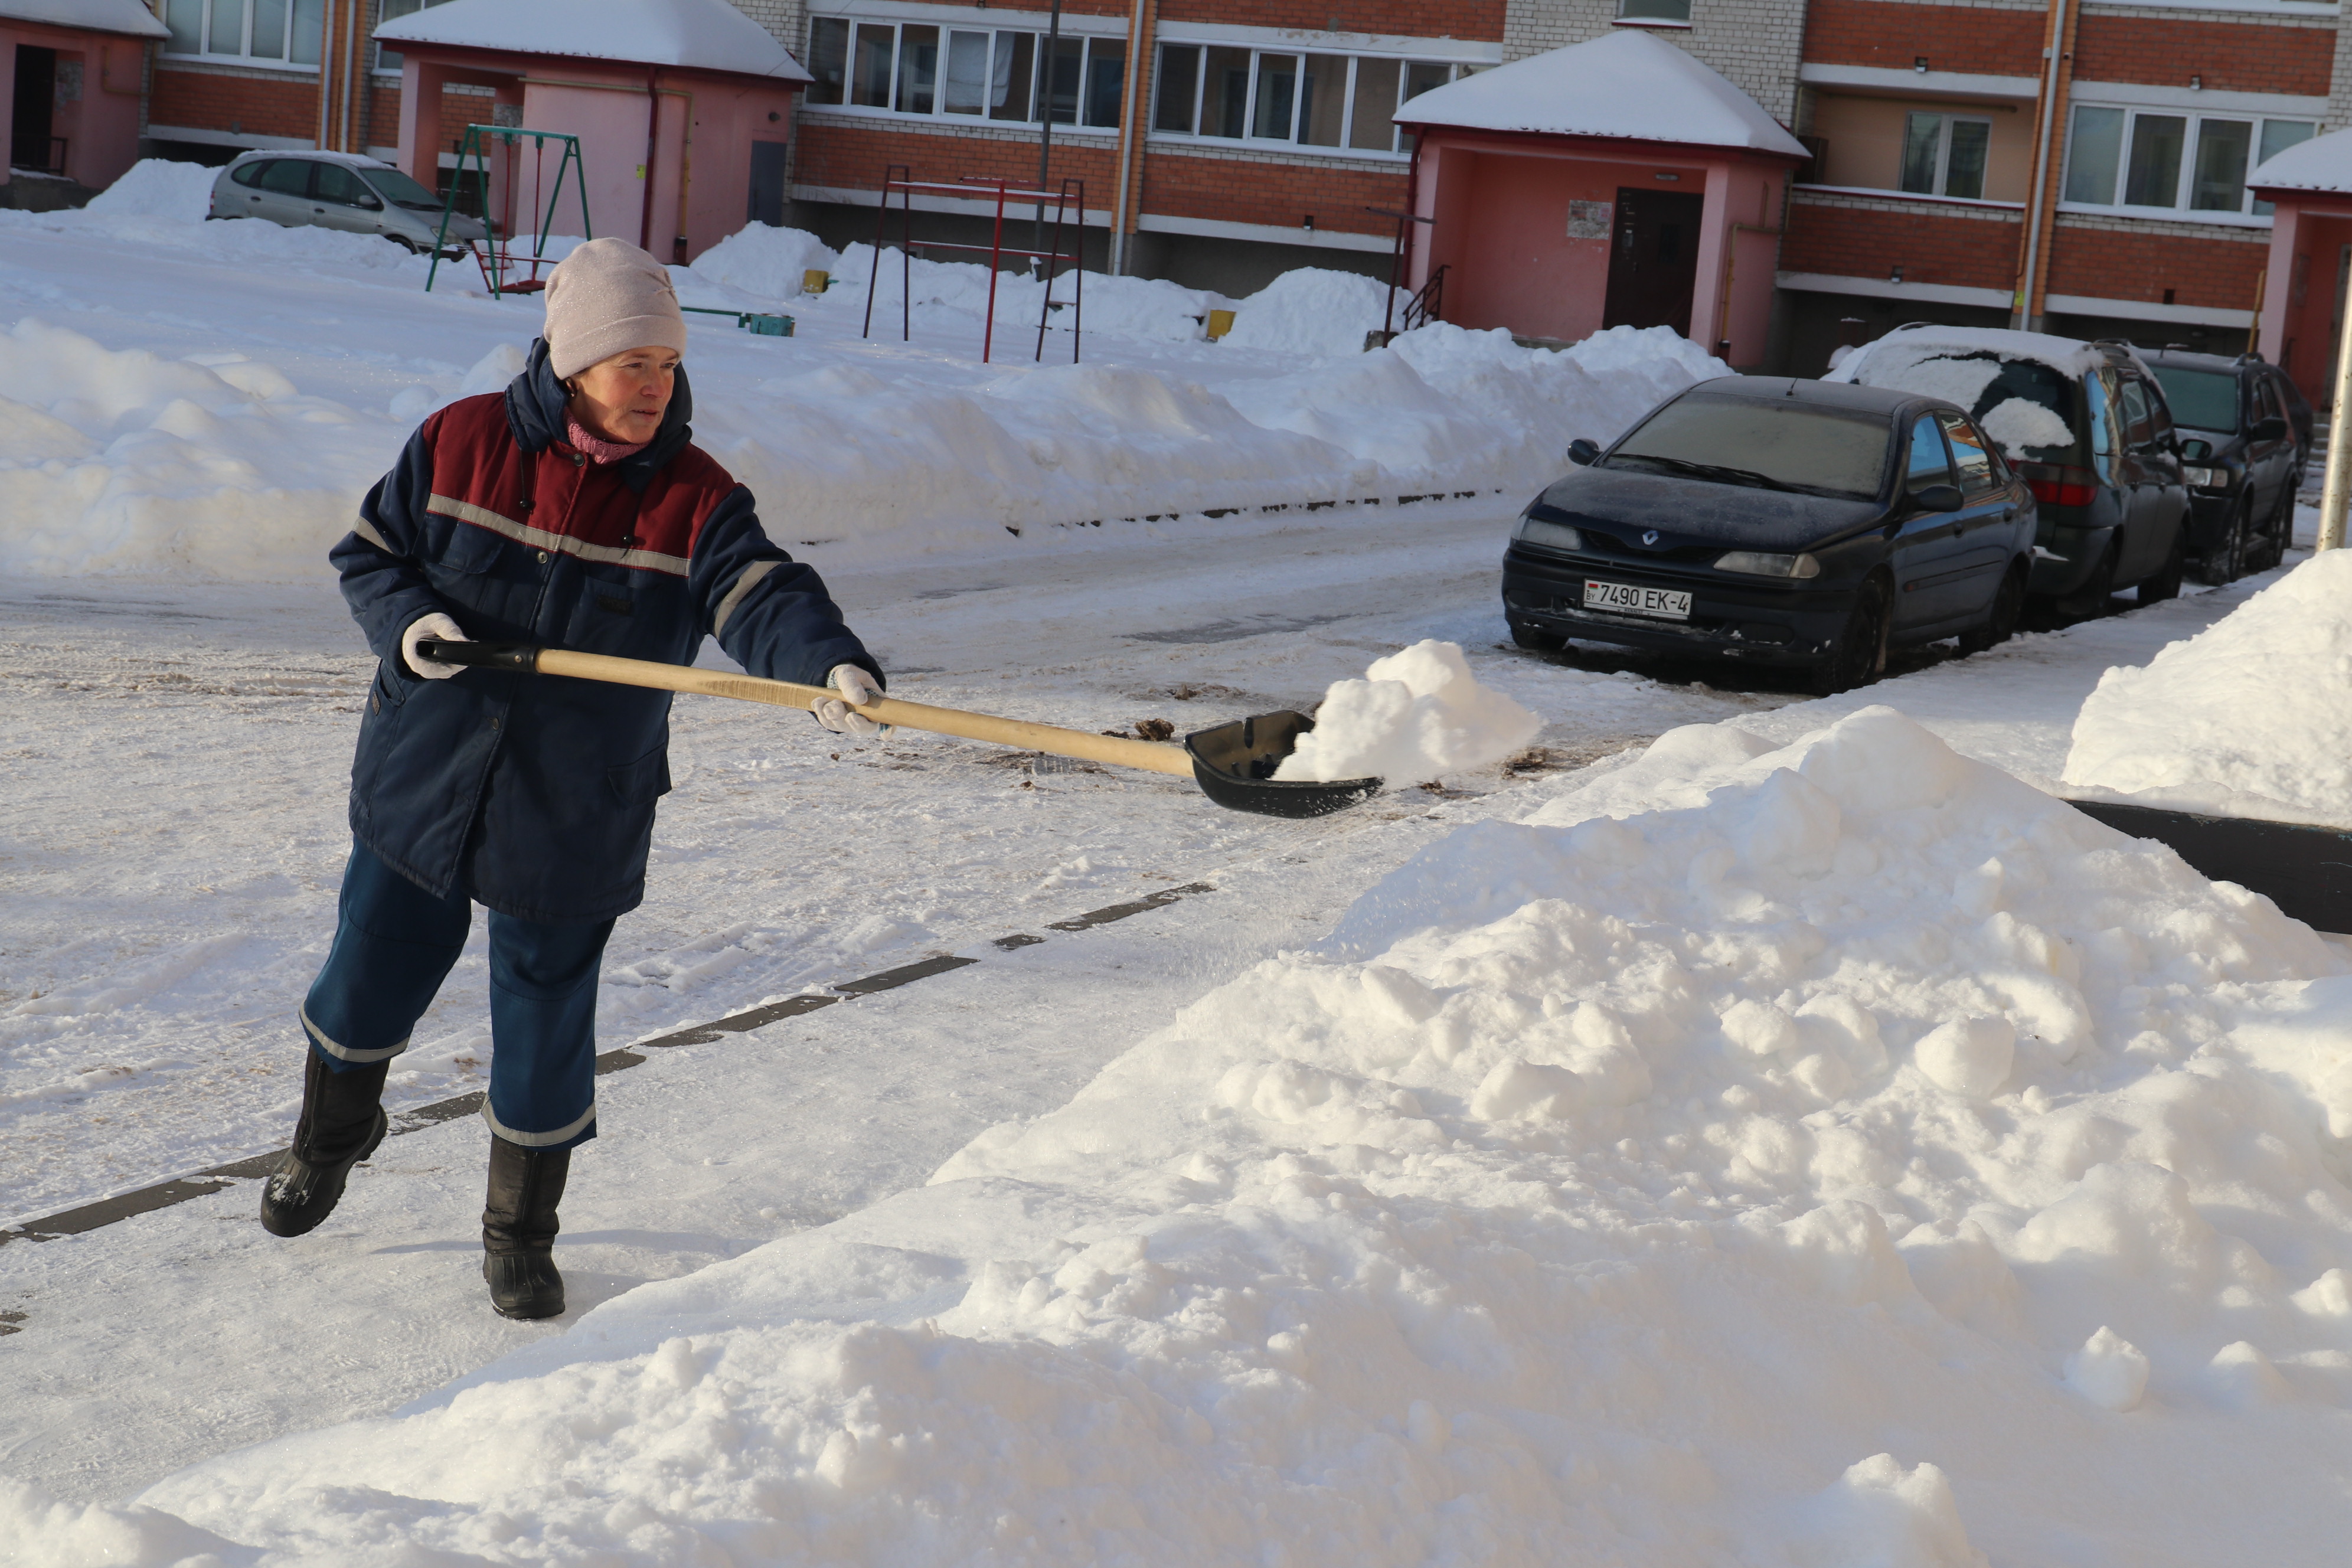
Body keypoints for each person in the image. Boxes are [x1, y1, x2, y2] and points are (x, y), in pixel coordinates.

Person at [259, 239, 887, 1319]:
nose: (655, 384)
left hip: (575, 798)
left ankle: (519, 1231)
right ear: (572, 360)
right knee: (368, 970)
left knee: (545, 1011)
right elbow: (371, 555)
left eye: (668, 363)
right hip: (427, 770)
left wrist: (823, 658)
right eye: (631, 361)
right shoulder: (459, 442)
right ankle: (330, 1134)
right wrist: (410, 627)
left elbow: (757, 588)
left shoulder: (694, 499)